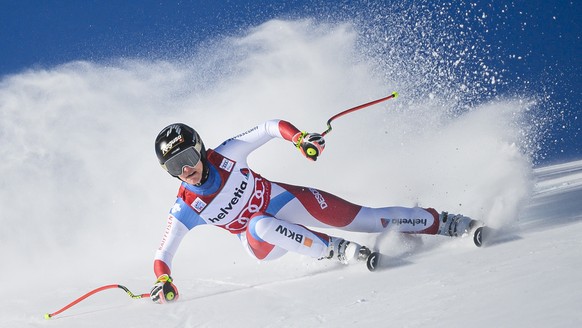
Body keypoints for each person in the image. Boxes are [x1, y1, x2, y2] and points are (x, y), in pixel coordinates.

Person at [149, 120, 480, 303]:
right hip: (262, 242)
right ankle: (333, 249)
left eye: (188, 158)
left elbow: (268, 127)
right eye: (174, 166)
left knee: (369, 218)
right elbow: (163, 253)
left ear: (201, 151)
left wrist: (299, 138)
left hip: (288, 203)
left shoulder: (228, 155)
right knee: (261, 224)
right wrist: (163, 279)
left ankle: (446, 223)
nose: (185, 170)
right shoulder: (186, 207)